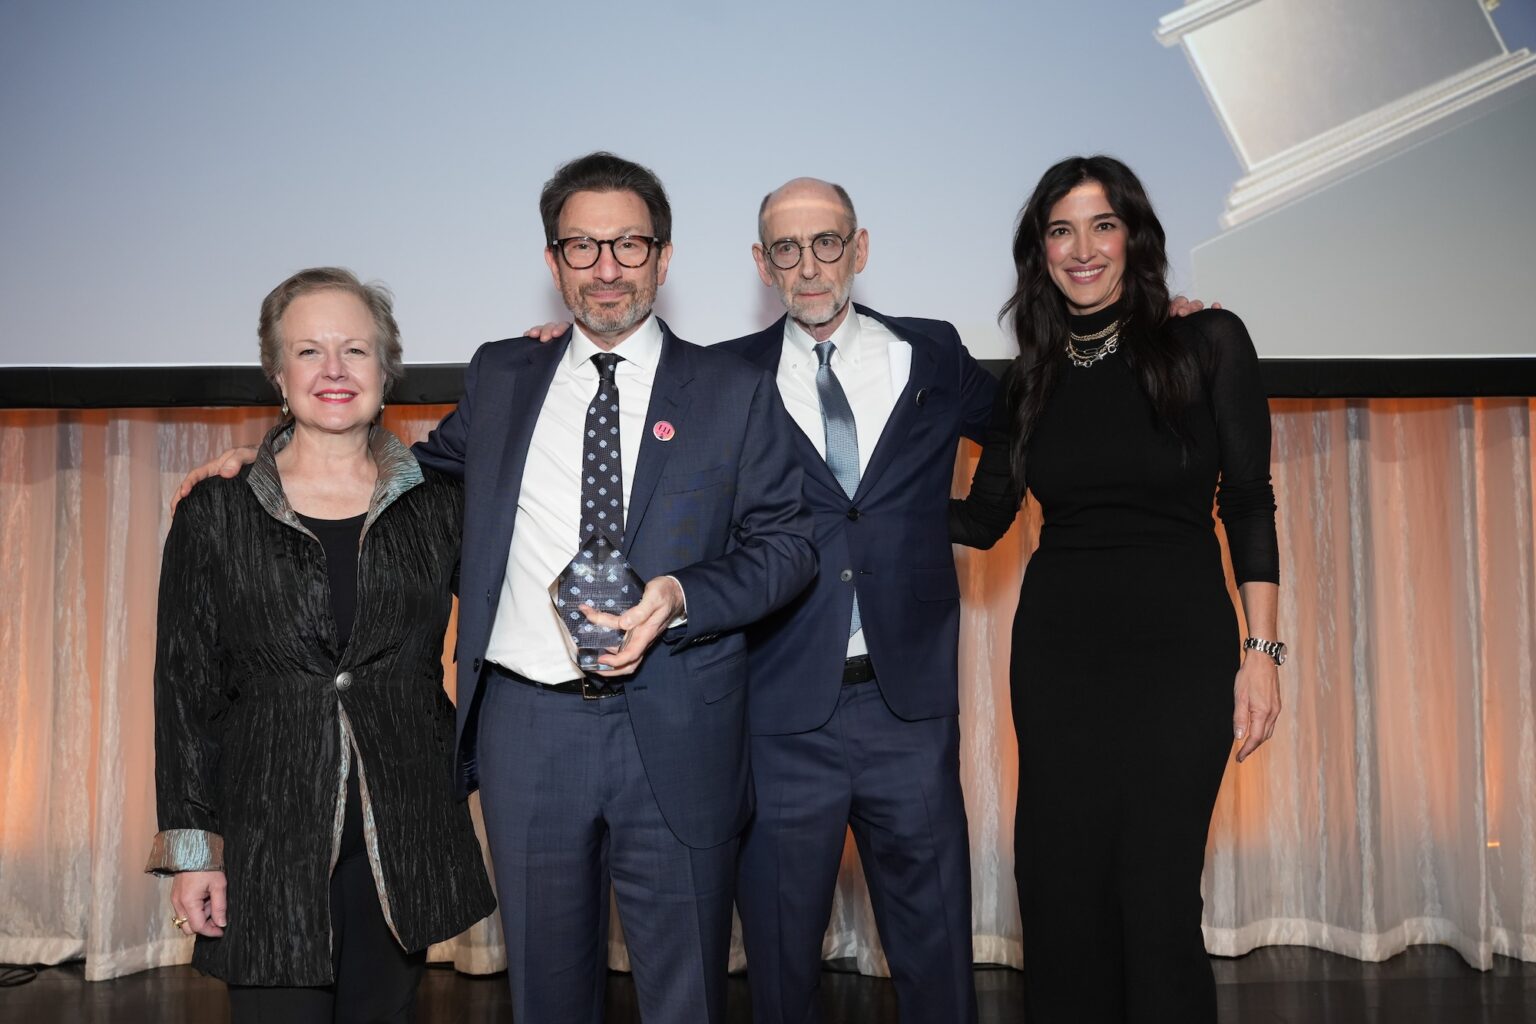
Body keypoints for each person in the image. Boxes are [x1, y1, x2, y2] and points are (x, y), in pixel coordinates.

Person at [173, 154, 817, 1022]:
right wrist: (263, 462)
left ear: (664, 258)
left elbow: (789, 547)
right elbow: (401, 473)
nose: (607, 267)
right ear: (552, 264)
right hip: (529, 736)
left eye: (629, 244)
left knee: (686, 992)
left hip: (678, 724)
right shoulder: (504, 376)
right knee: (545, 994)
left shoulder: (735, 392)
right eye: (581, 246)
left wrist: (681, 594)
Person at [948, 155, 1283, 1023]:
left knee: (1157, 888)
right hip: (1060, 658)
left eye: (1102, 225)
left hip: (1181, 656)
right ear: (1040, 251)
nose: (1082, 248)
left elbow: (1249, 502)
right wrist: (853, 493)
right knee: (1059, 884)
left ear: (1134, 237)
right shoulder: (1028, 379)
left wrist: (1263, 653)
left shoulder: (1207, 342)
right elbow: (981, 522)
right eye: (1061, 230)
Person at [147, 267, 495, 1023]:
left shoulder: (443, 507)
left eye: (356, 351)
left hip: (402, 835)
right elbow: (184, 689)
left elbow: (515, 624)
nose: (334, 370)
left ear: (386, 370)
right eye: (309, 352)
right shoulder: (217, 509)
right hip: (266, 837)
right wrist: (195, 851)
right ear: (277, 373)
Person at [720, 179, 996, 1024]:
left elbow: (1026, 421)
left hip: (905, 708)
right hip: (777, 714)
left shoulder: (934, 352)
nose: (809, 267)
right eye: (788, 250)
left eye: (827, 243)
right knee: (777, 966)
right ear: (762, 265)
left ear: (860, 248)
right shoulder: (720, 377)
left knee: (937, 952)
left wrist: (972, 519)